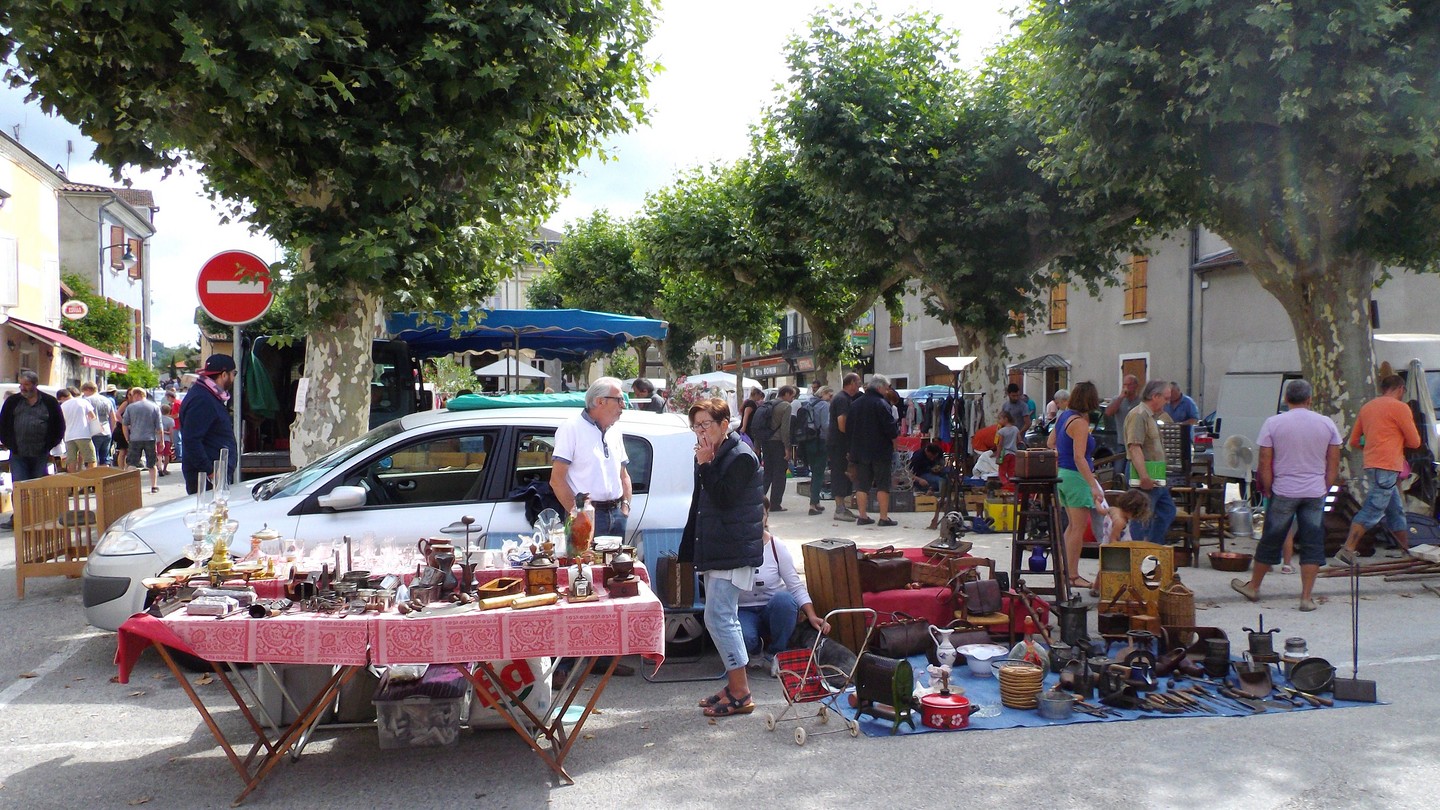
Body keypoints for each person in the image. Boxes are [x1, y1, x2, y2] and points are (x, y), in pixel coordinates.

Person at [681, 397, 765, 718]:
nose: (700, 431)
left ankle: (741, 691)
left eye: (706, 425)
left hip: (734, 551)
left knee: (721, 618)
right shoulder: (711, 454)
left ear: (724, 424)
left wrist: (705, 464)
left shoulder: (741, 455)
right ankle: (733, 686)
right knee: (715, 618)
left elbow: (725, 498)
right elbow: (702, 504)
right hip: (714, 548)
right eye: (696, 426)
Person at [550, 377, 636, 681]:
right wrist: (577, 515)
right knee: (578, 584)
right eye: (619, 400)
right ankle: (565, 663)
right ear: (599, 402)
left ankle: (603, 657)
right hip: (588, 515)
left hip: (614, 513)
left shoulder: (615, 431)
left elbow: (624, 473)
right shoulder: (572, 428)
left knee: (612, 584)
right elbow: (557, 479)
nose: (623, 407)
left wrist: (626, 505)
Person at [1232, 379, 1342, 611]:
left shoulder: (1273, 423)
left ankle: (1254, 586)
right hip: (1314, 491)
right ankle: (1305, 597)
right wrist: (1324, 487)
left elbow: (1264, 461)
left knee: (1271, 539)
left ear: (1285, 399)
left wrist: (1270, 487)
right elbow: (1333, 463)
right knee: (1312, 542)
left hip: (1284, 489)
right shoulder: (1327, 424)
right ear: (1310, 399)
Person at [1337, 374, 1423, 564]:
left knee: (1395, 510)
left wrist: (1372, 446)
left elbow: (1354, 440)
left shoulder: (1367, 407)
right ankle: (1348, 549)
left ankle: (1405, 550)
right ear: (1400, 389)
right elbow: (1415, 441)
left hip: (1371, 464)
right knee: (1374, 508)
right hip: (1388, 465)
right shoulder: (1400, 408)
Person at [739, 498, 829, 670]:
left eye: (762, 515)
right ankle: (754, 649)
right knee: (745, 635)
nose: (757, 520)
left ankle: (777, 653)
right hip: (743, 609)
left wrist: (811, 615)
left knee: (785, 599)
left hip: (772, 608)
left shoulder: (776, 546)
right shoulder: (732, 547)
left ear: (767, 517)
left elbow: (795, 586)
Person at [0, 370, 66, 527]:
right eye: (21, 384)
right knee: (20, 485)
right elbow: (3, 424)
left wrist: (49, 445)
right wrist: (9, 443)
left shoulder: (49, 402)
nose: (23, 388)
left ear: (35, 385)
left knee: (37, 487)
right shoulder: (13, 402)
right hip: (18, 452)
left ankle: (37, 516)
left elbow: (59, 426)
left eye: (26, 385)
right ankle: (19, 518)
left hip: (40, 452)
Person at [1055, 381, 1104, 590]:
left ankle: (1064, 571)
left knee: (1071, 527)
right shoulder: (1080, 423)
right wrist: (1092, 484)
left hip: (1062, 475)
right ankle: (1073, 575)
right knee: (1078, 529)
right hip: (1076, 477)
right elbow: (1079, 457)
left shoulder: (1064, 416)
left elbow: (1051, 443)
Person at [1124, 379, 1178, 543]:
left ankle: (1153, 547)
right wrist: (1144, 476)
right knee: (1142, 516)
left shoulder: (1152, 416)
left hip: (1155, 471)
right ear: (1155, 396)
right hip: (1144, 471)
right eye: (1166, 398)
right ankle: (1139, 552)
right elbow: (1135, 447)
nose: (1167, 403)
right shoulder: (1139, 415)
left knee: (1167, 510)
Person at [179, 354, 239, 495]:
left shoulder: (207, 395)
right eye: (233, 373)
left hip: (212, 475)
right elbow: (191, 440)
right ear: (224, 375)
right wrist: (210, 471)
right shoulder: (203, 399)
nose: (234, 378)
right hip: (206, 478)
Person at [848, 374, 900, 527]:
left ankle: (862, 516)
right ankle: (883, 518)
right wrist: (894, 444)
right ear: (879, 387)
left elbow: (849, 429)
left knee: (862, 485)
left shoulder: (855, 404)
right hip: (880, 451)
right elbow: (891, 429)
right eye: (886, 388)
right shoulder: (882, 404)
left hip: (859, 451)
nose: (886, 391)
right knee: (883, 484)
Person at [828, 374, 861, 522]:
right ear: (852, 383)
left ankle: (842, 507)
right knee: (840, 474)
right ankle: (839, 509)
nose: (859, 385)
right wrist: (851, 438)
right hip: (839, 444)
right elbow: (842, 423)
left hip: (839, 443)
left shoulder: (843, 398)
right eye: (858, 382)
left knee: (844, 475)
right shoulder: (842, 399)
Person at [760, 385, 797, 511]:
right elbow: (785, 429)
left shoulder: (767, 404)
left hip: (766, 442)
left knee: (768, 472)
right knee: (780, 474)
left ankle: (759, 500)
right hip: (778, 443)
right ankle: (775, 504)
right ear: (786, 394)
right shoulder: (786, 406)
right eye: (792, 396)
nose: (793, 399)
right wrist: (787, 447)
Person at [123, 388, 165, 494]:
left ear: (135, 395)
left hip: (135, 438)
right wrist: (162, 441)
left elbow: (124, 424)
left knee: (132, 464)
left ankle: (130, 486)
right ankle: (154, 486)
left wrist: (127, 437)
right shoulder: (154, 407)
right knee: (152, 464)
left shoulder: (130, 407)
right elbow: (159, 426)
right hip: (150, 438)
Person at [1104, 374, 1142, 480]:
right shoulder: (1118, 400)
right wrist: (1121, 397)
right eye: (1125, 384)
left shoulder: (1141, 401)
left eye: (1129, 385)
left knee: (1133, 471)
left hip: (1137, 442)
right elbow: (1108, 412)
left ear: (1136, 386)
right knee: (1118, 470)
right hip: (1122, 442)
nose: (1126, 387)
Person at [804, 387, 832, 516]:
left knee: (814, 471)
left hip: (808, 440)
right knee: (819, 473)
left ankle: (816, 502)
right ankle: (812, 504)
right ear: (824, 394)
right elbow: (825, 425)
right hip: (820, 441)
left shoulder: (809, 402)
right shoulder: (824, 405)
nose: (831, 398)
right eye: (830, 395)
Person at [58, 387, 98, 472]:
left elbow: (61, 422)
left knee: (71, 460)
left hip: (68, 436)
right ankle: (93, 480)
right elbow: (92, 417)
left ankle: (73, 483)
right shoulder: (83, 401)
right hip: (83, 434)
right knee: (91, 458)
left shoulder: (62, 406)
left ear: (62, 398)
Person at [82, 381, 115, 466]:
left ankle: (96, 478)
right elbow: (113, 418)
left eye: (84, 391)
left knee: (93, 459)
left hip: (93, 432)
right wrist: (111, 430)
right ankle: (106, 477)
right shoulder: (107, 400)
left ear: (88, 390)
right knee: (105, 458)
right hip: (107, 431)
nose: (84, 394)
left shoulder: (86, 400)